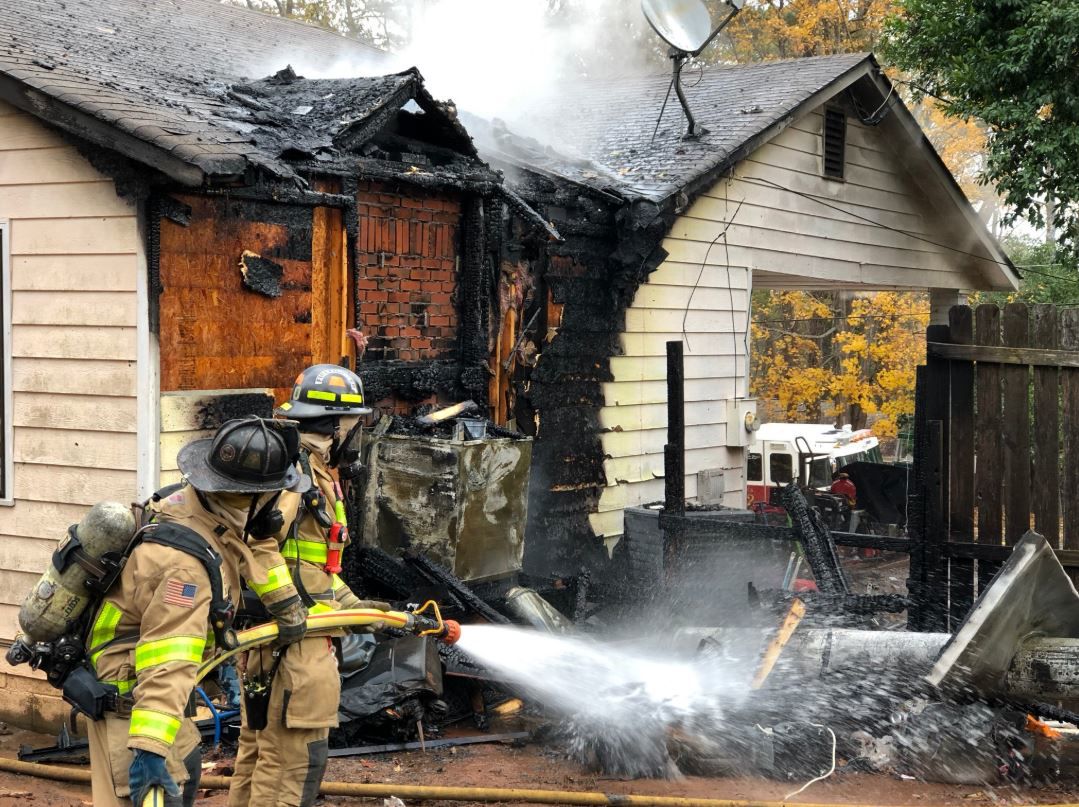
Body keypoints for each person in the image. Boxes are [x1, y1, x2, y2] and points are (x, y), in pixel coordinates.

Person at [86, 416, 309, 807]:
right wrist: (150, 749)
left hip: (162, 704)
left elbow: (252, 548)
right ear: (254, 496)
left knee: (186, 771)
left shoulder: (194, 507)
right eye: (277, 493)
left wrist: (288, 608)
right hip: (136, 709)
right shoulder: (185, 569)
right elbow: (167, 660)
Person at [228, 364, 392, 807]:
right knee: (292, 762)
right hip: (294, 645)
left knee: (262, 753)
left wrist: (365, 612)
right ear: (336, 425)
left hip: (293, 637)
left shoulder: (313, 471)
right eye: (356, 423)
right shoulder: (294, 474)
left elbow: (313, 572)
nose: (357, 433)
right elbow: (256, 545)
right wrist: (288, 611)